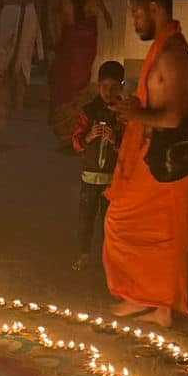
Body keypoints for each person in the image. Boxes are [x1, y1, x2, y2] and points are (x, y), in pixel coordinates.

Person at [103, 0, 188, 327]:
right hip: (148, 153)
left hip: (161, 158)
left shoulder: (172, 54)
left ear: (155, 8)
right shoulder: (165, 47)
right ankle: (150, 301)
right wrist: (136, 107)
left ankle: (158, 303)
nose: (135, 21)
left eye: (136, 13)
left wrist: (135, 114)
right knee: (149, 229)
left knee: (132, 225)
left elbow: (173, 116)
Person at [47, 0, 112, 140]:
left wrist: (55, 42)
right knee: (77, 85)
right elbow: (105, 16)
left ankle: (69, 130)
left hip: (73, 46)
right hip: (84, 46)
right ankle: (74, 130)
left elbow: (57, 23)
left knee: (67, 86)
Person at [69, 60, 124, 270]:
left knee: (110, 223)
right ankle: (83, 254)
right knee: (86, 218)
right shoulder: (88, 111)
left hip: (112, 180)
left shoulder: (123, 114)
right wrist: (89, 136)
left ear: (122, 86)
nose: (109, 92)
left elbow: (131, 146)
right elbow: (76, 142)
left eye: (114, 87)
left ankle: (110, 258)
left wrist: (116, 141)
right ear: (97, 85)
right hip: (90, 177)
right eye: (104, 87)